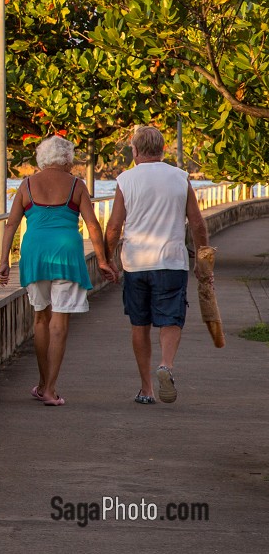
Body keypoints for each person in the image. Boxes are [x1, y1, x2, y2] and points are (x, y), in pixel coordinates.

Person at [0, 135, 115, 407]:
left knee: (40, 318)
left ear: (42, 158)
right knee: (59, 320)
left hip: (35, 253)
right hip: (67, 254)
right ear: (67, 159)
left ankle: (41, 383)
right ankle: (50, 388)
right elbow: (93, 225)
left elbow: (11, 224)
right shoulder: (77, 185)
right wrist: (103, 260)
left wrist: (4, 260)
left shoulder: (26, 185)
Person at [104, 124, 208, 405]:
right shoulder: (180, 177)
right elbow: (197, 222)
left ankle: (146, 388)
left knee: (140, 323)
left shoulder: (126, 180)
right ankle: (166, 364)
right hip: (171, 261)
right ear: (163, 150)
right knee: (171, 318)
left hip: (136, 262)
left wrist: (108, 258)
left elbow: (114, 225)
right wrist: (202, 258)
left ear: (135, 151)